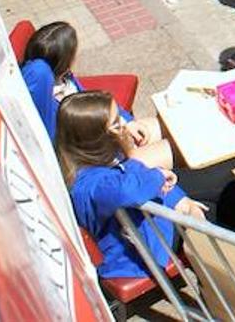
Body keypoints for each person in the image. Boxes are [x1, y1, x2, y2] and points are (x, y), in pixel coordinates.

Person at [58, 91, 205, 280]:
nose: (124, 124)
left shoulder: (94, 160)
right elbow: (129, 189)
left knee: (207, 182)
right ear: (97, 137)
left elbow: (134, 173)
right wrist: (159, 176)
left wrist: (180, 200)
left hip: (148, 227)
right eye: (116, 123)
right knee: (219, 191)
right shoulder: (91, 186)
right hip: (142, 251)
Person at [20, 21, 168, 166]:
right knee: (169, 149)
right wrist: (123, 139)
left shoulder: (66, 80)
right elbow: (85, 143)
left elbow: (98, 105)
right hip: (105, 154)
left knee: (163, 127)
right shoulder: (52, 104)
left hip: (113, 131)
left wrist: (127, 122)